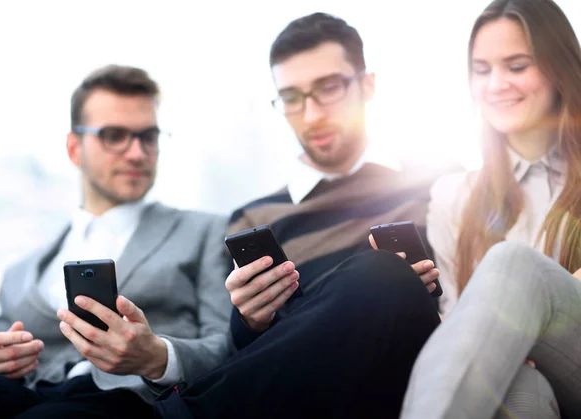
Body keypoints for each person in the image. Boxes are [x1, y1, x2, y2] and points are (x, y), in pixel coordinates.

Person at [154, 13, 445, 419]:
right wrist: (250, 321)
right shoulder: (254, 218)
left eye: (329, 88)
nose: (311, 115)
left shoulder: (440, 186)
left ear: (367, 86)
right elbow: (247, 352)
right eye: (291, 97)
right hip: (308, 395)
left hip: (412, 373)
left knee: (382, 275)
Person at [0, 65, 233, 418]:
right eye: (114, 135)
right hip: (27, 395)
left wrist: (159, 357)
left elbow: (229, 345)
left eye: (149, 137)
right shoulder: (20, 272)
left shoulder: (205, 232)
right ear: (74, 149)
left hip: (132, 401)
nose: (136, 153)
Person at [400, 0, 581, 417]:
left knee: (515, 264)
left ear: (560, 68)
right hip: (522, 379)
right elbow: (457, 320)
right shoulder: (453, 195)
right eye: (482, 70)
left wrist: (519, 335)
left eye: (517, 66)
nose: (496, 84)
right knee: (517, 389)